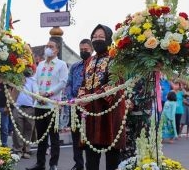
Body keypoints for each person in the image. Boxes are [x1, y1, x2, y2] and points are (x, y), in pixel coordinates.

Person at [77, 24, 126, 170]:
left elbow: (116, 83)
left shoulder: (116, 58)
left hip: (110, 113)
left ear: (109, 39)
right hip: (91, 114)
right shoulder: (89, 61)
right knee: (91, 158)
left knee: (112, 157)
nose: (97, 40)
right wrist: (81, 98)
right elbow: (84, 83)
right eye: (95, 37)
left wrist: (92, 96)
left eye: (101, 37)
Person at [26, 38, 68, 170]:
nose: (48, 48)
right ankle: (40, 164)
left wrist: (47, 94)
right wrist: (38, 94)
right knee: (41, 136)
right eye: (47, 46)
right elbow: (35, 82)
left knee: (54, 136)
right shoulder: (41, 65)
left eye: (51, 46)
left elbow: (62, 83)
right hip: (39, 105)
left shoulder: (61, 64)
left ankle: (53, 164)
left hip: (52, 105)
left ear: (57, 50)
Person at [65, 39, 93, 170]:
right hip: (75, 106)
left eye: (85, 50)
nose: (83, 52)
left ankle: (90, 165)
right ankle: (78, 164)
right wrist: (72, 99)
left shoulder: (95, 65)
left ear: (91, 50)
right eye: (81, 49)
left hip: (90, 107)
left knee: (89, 138)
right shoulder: (75, 66)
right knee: (75, 135)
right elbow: (69, 84)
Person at [12, 47, 37, 159]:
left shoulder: (33, 79)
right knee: (17, 129)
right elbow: (12, 90)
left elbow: (35, 93)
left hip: (30, 108)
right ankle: (17, 150)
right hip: (18, 107)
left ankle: (26, 149)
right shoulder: (16, 77)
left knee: (28, 129)